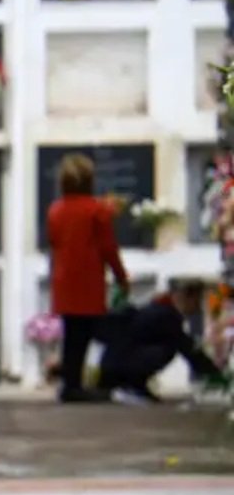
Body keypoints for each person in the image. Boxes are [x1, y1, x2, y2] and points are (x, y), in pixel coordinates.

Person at [46, 153, 130, 402]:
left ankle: (70, 380)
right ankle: (76, 383)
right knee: (87, 332)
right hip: (88, 278)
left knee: (72, 332)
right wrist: (121, 276)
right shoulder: (97, 210)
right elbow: (108, 248)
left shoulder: (56, 210)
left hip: (64, 278)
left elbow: (53, 244)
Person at [97, 283, 224, 403]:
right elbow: (187, 348)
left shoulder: (154, 309)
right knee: (168, 350)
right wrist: (213, 374)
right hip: (123, 367)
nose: (197, 309)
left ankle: (133, 385)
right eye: (196, 302)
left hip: (111, 365)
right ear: (184, 298)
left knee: (165, 347)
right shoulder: (167, 315)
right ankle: (133, 386)